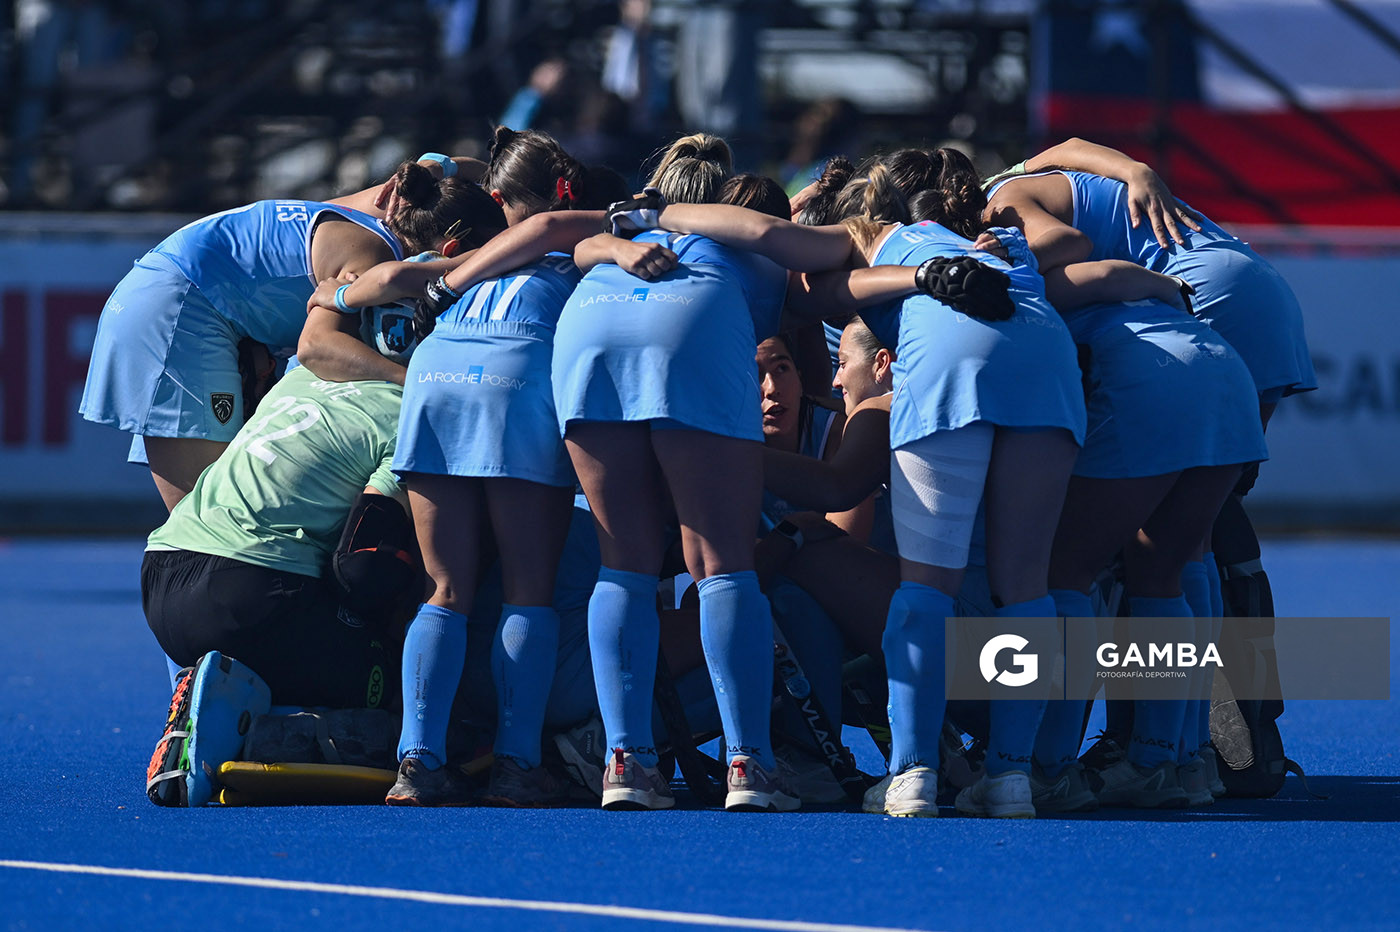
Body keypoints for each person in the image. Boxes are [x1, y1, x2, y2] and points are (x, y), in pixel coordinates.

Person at [621, 165, 1087, 818]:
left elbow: (760, 232)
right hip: (1045, 357)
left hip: (953, 347)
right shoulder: (984, 248)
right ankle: (1010, 779)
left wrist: (658, 217)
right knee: (1027, 586)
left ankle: (914, 774)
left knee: (927, 587)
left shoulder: (875, 237)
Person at [311, 128, 671, 808]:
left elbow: (383, 281)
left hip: (435, 377)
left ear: (501, 198)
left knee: (444, 590)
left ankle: (416, 763)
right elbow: (588, 243)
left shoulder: (473, 259)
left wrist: (330, 299)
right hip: (513, 381)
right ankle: (516, 763)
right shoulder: (573, 242)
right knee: (527, 592)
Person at [979, 162, 1269, 809]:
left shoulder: (1010, 271)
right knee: (1163, 569)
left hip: (1162, 380)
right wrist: (1160, 285)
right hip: (1226, 374)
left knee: (1061, 573)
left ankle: (1049, 768)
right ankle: (1176, 762)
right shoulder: (1077, 257)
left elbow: (1098, 274)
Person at [552, 135, 799, 812]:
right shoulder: (736, 241)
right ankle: (751, 766)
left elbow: (565, 243)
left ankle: (626, 760)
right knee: (721, 562)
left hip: (591, 324)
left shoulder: (618, 230)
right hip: (689, 324)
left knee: (622, 564)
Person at [80, 160, 491, 512]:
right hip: (179, 310)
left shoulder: (393, 201)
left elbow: (477, 169)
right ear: (450, 249)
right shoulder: (376, 257)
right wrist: (419, 386)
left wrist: (443, 164)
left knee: (214, 524)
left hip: (170, 296)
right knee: (206, 522)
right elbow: (319, 348)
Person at [141, 304, 423, 711]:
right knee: (385, 680)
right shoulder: (411, 417)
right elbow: (364, 569)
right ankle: (271, 728)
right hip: (249, 590)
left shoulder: (301, 377)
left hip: (161, 577)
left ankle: (222, 699)